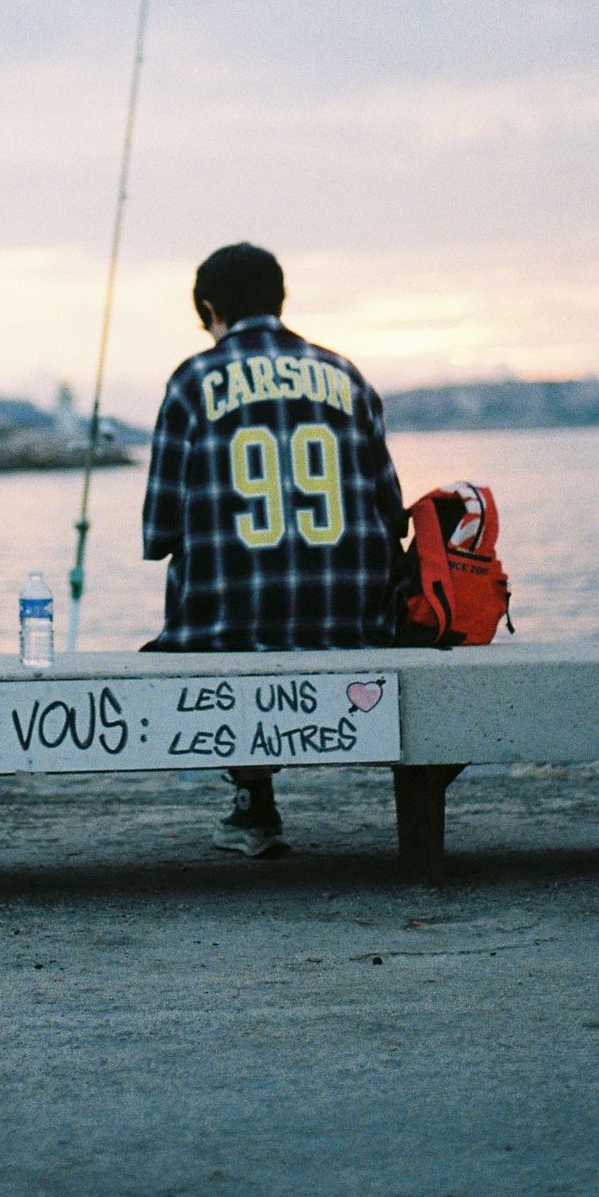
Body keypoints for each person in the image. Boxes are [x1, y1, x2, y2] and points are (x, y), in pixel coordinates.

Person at [142, 243, 406, 856]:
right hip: (353, 626)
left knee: (211, 588)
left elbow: (159, 532)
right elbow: (393, 512)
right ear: (281, 300)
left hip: (224, 635)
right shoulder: (347, 376)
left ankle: (254, 805)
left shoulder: (191, 382)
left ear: (209, 309)